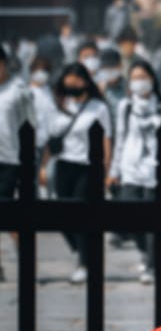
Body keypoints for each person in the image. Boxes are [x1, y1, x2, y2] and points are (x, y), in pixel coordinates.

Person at [107, 60, 161, 283]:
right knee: (130, 218)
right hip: (131, 170)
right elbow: (120, 140)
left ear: (152, 79)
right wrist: (114, 170)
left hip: (157, 172)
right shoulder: (126, 107)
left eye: (143, 77)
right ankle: (145, 251)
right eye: (135, 78)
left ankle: (152, 265)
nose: (139, 82)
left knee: (155, 222)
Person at [40, 62, 112, 283]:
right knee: (62, 213)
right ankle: (82, 250)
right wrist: (43, 166)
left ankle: (84, 262)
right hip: (64, 164)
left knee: (81, 212)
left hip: (87, 166)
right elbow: (50, 139)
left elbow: (106, 139)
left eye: (76, 80)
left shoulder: (98, 107)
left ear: (85, 81)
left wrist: (106, 169)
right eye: (67, 80)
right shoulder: (59, 105)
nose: (71, 84)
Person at [0, 44, 35, 280]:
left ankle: (26, 261)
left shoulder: (18, 90)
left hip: (11, 159)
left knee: (11, 216)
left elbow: (30, 123)